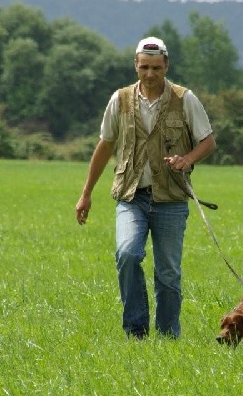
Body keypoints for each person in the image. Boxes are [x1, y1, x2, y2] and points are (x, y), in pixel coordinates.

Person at [75, 36, 217, 339]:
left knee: (168, 274)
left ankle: (168, 336)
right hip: (131, 197)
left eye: (156, 67)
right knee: (127, 254)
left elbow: (208, 142)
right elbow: (105, 145)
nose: (150, 74)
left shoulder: (185, 99)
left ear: (166, 66)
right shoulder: (120, 99)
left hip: (172, 199)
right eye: (144, 67)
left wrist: (187, 158)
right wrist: (86, 193)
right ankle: (135, 332)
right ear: (136, 66)